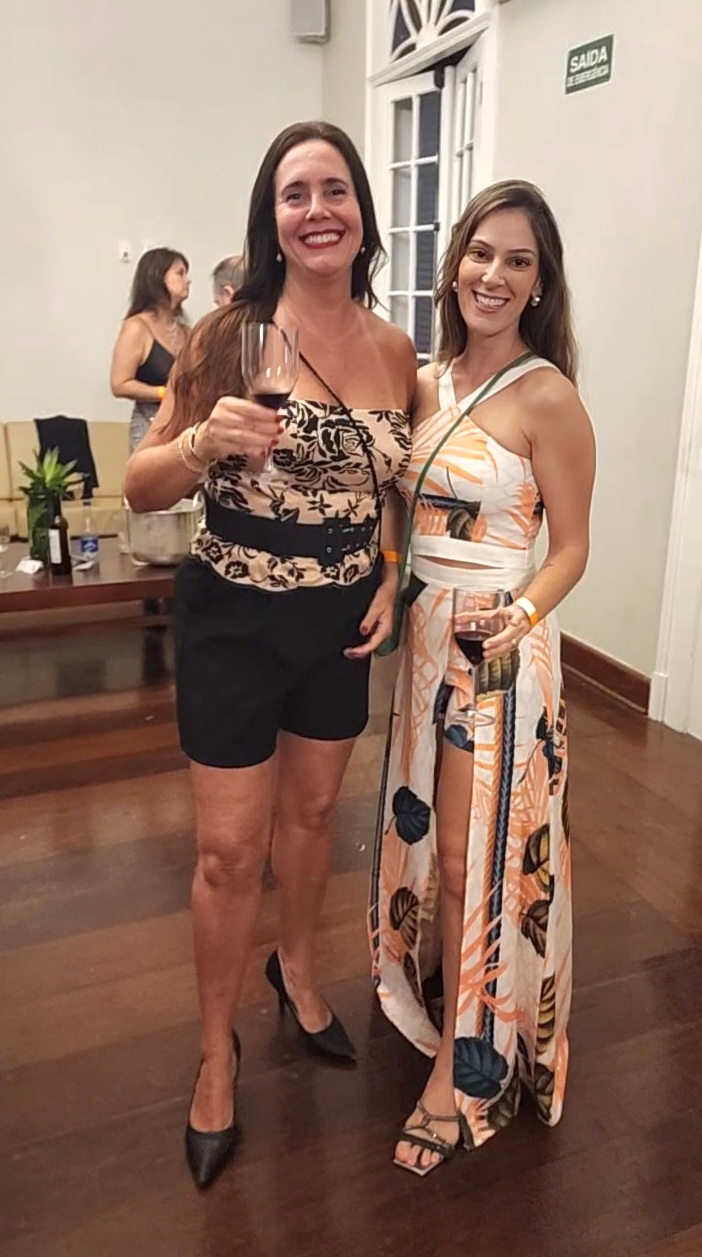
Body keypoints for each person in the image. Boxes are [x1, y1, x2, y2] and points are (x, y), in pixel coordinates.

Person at [124, 120, 415, 1189]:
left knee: (311, 819)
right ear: (273, 217)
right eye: (296, 193)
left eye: (335, 189)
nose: (318, 209)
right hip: (234, 619)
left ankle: (297, 970)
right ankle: (216, 1052)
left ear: (361, 215)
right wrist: (203, 441)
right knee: (226, 853)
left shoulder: (397, 350)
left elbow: (397, 482)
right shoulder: (226, 336)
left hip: (339, 623)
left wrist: (390, 566)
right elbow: (140, 486)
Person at [370, 180, 595, 1176]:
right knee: (426, 832)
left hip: (500, 651)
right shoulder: (425, 382)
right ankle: (435, 982)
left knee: (476, 858)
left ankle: (464, 1070)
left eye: (518, 261)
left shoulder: (550, 397)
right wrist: (390, 576)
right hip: (424, 636)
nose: (493, 275)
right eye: (480, 252)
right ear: (454, 261)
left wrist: (522, 615)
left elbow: (572, 548)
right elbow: (399, 499)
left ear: (540, 284)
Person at [110, 247, 190, 452]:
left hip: (183, 428)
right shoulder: (137, 327)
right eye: (180, 273)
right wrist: (164, 393)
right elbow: (120, 384)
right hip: (149, 427)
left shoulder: (186, 331)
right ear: (158, 277)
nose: (187, 281)